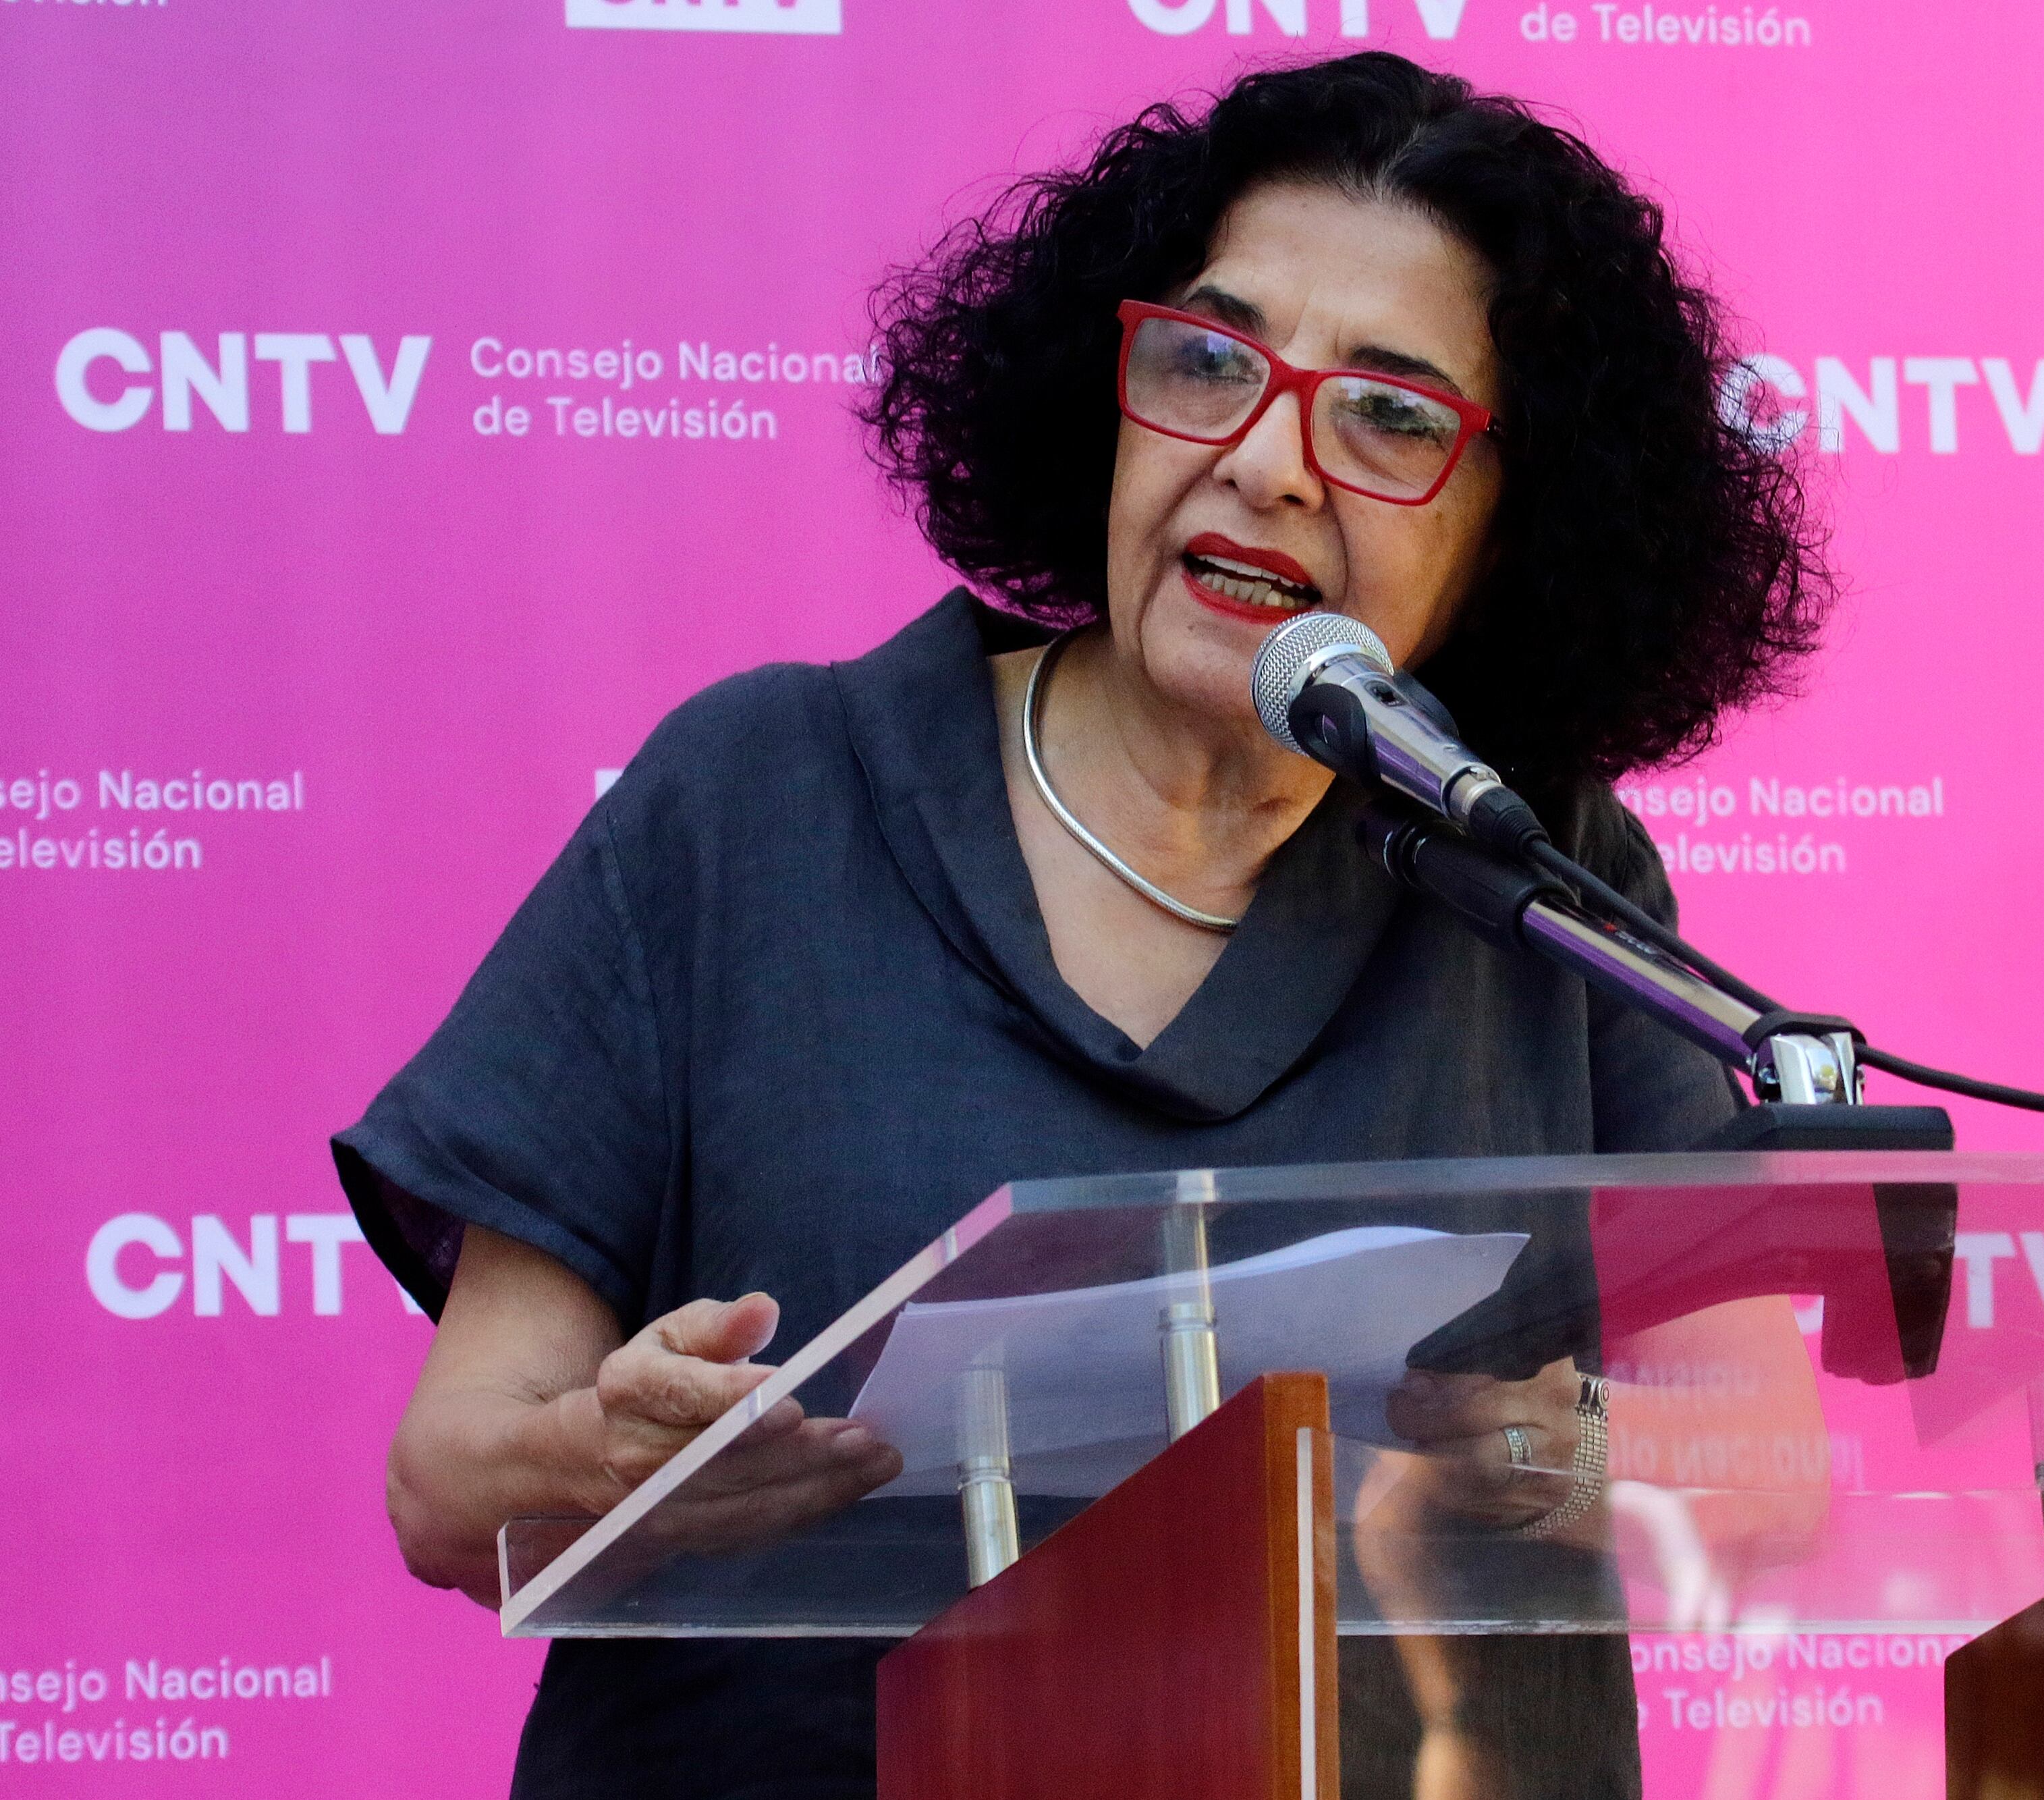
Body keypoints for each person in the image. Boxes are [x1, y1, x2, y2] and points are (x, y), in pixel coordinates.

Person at [333, 49, 1830, 1800]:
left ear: (1520, 522)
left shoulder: (1541, 871)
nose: (1266, 461)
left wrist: (1562, 1459)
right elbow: (448, 1487)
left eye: (1389, 415)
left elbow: (1766, 1470)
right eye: (1207, 361)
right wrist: (620, 1457)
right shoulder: (759, 797)